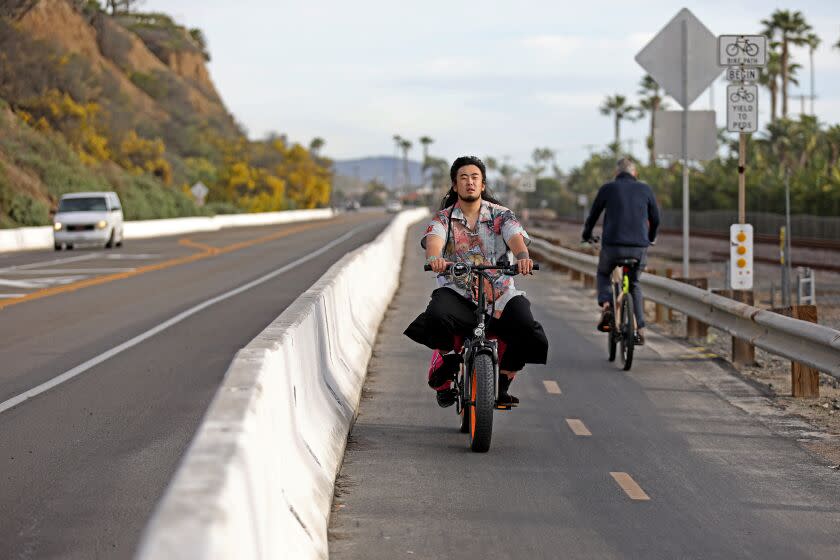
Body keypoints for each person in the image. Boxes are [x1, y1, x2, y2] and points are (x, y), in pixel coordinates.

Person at [404, 156, 548, 408]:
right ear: (454, 185)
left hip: (499, 292)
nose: (469, 182)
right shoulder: (443, 219)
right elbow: (433, 241)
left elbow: (515, 237)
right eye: (463, 177)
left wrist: (523, 256)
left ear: (482, 185)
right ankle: (446, 359)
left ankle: (503, 380)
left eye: (475, 177)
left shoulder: (502, 215)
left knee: (526, 325)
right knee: (437, 313)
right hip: (457, 291)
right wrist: (436, 258)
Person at [581, 157, 659, 345]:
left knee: (603, 273)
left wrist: (587, 235)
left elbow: (593, 216)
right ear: (635, 173)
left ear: (616, 173)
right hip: (638, 248)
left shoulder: (608, 188)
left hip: (613, 246)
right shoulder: (645, 189)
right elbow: (655, 218)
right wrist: (651, 237)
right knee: (634, 284)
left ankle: (607, 305)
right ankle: (640, 329)